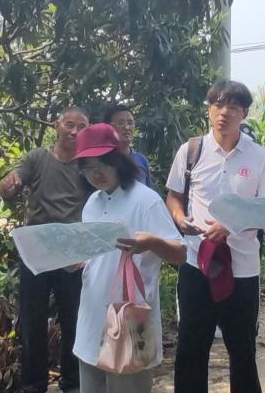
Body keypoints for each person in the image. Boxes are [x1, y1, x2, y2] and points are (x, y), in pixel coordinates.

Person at [165, 80, 265, 393]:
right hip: (196, 263)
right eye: (217, 105)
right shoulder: (191, 151)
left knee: (242, 350)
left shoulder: (259, 159)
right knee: (191, 347)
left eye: (232, 106)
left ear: (244, 113)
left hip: (241, 268)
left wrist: (231, 225)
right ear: (209, 109)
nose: (223, 113)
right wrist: (179, 217)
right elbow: (174, 196)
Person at [70, 124, 186, 393]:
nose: (96, 173)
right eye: (88, 167)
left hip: (131, 321)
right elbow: (94, 257)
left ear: (119, 159)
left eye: (103, 163)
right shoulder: (93, 203)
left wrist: (152, 242)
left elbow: (180, 254)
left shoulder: (145, 200)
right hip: (92, 318)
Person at [0, 107, 93, 393]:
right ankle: (33, 384)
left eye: (81, 126)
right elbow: (9, 185)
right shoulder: (37, 157)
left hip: (72, 250)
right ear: (56, 126)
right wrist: (9, 185)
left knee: (74, 319)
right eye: (69, 124)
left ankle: (73, 382)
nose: (74, 132)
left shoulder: (88, 164)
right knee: (32, 321)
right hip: (37, 249)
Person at [103, 105, 152, 186]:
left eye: (130, 123)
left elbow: (148, 190)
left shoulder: (141, 160)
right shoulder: (102, 160)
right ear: (108, 128)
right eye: (120, 123)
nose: (126, 127)